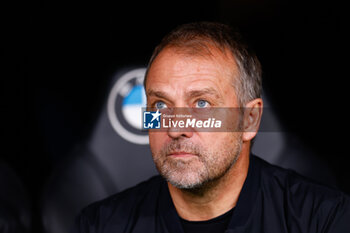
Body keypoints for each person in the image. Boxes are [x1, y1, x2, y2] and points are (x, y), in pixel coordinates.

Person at [72, 22, 350, 233]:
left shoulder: (323, 219)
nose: (175, 128)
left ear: (249, 120)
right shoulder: (100, 225)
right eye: (159, 106)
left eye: (202, 103)